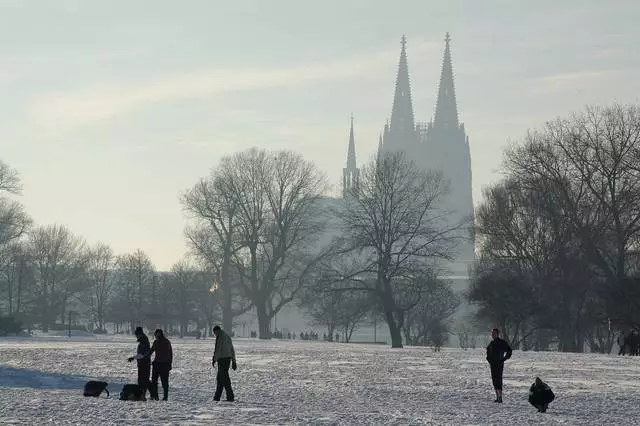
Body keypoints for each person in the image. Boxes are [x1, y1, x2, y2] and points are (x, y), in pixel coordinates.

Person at [141, 329, 173, 401]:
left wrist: (143, 357)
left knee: (157, 381)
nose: (155, 336)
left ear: (159, 334)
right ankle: (162, 396)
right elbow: (170, 354)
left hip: (160, 364)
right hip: (162, 364)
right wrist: (170, 364)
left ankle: (157, 396)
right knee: (162, 381)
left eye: (155, 334)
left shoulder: (161, 342)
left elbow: (150, 352)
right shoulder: (165, 342)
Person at [486, 328, 512, 403]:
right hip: (492, 364)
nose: (493, 335)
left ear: (497, 334)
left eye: (494, 333)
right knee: (494, 380)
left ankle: (500, 397)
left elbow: (509, 350)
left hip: (499, 364)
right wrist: (488, 359)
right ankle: (497, 396)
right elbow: (488, 352)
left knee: (498, 380)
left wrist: (504, 358)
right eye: (492, 333)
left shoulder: (502, 342)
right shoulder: (491, 343)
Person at [211, 325, 237, 402]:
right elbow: (232, 349)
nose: (215, 335)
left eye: (215, 333)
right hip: (227, 359)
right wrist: (233, 360)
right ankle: (217, 397)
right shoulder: (227, 336)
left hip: (222, 360)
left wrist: (214, 359)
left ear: (217, 331)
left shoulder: (220, 337)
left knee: (224, 379)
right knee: (221, 378)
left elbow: (217, 349)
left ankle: (230, 396)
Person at [127, 327, 151, 400]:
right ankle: (144, 394)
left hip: (144, 363)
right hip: (142, 363)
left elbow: (142, 354)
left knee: (143, 380)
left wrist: (133, 358)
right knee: (144, 380)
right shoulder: (143, 341)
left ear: (139, 334)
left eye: (136, 334)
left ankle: (143, 395)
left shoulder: (144, 342)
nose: (136, 336)